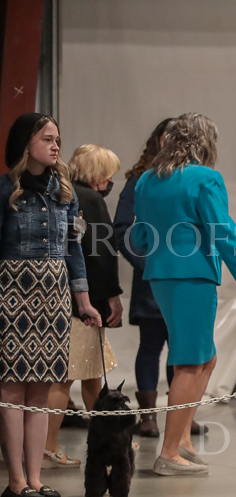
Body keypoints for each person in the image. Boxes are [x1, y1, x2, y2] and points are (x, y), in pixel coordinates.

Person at [131, 113, 236, 475]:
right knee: (191, 361)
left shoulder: (146, 179)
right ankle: (169, 453)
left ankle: (182, 441)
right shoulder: (206, 178)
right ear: (205, 142)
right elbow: (223, 231)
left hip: (160, 274)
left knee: (204, 359)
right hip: (192, 274)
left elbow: (138, 236)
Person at [0, 113, 102, 497]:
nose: (56, 145)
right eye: (47, 139)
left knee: (41, 389)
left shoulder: (65, 191)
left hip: (53, 295)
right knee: (12, 387)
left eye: (58, 139)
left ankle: (35, 477)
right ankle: (15, 480)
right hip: (12, 292)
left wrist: (84, 301)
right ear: (26, 143)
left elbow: (73, 249)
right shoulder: (5, 189)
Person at [114, 118, 206, 438]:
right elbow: (123, 230)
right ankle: (148, 416)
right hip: (152, 279)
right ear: (158, 140)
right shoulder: (141, 179)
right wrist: (150, 264)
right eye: (168, 135)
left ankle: (180, 416)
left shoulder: (189, 178)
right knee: (151, 346)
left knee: (182, 347)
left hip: (185, 279)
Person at [41, 144, 124, 468]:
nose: (111, 180)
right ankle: (48, 444)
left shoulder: (63, 194)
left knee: (91, 375)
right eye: (109, 173)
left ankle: (108, 438)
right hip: (84, 302)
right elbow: (101, 255)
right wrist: (111, 296)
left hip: (60, 295)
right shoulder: (90, 200)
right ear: (97, 172)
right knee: (66, 377)